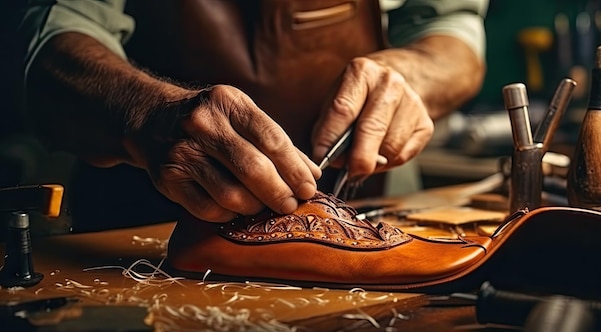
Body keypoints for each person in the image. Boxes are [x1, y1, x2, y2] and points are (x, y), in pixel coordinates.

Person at [17, 0, 488, 232]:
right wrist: (146, 111)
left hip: (371, 206)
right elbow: (45, 41)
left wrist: (410, 73)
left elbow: (453, 27)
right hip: (145, 224)